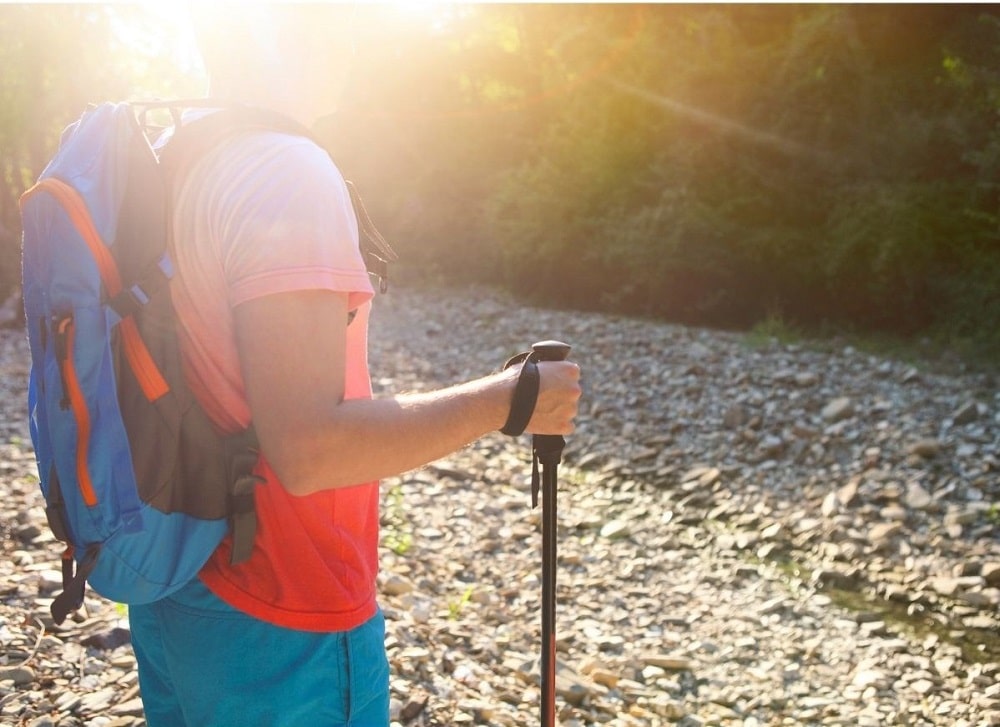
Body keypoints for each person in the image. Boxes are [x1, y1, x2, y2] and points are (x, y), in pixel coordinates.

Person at [126, 7, 582, 726]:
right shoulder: (283, 171)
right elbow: (308, 449)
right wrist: (508, 400)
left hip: (183, 574)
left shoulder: (182, 154)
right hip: (283, 608)